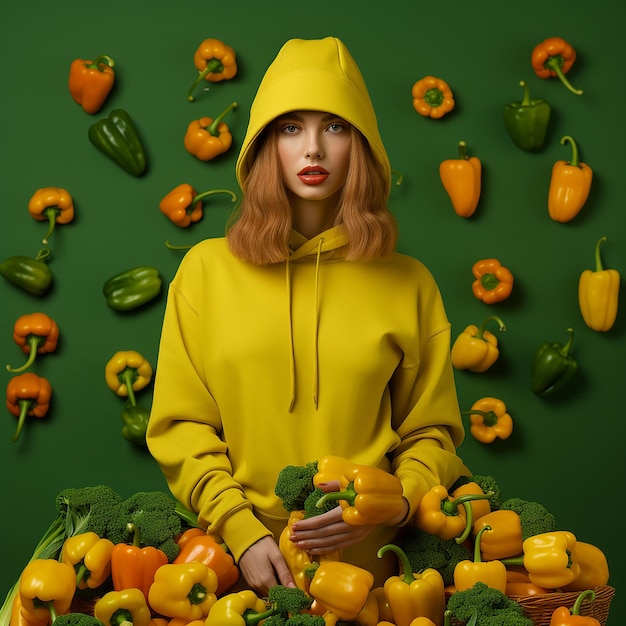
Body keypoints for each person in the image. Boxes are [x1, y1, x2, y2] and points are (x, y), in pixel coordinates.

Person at [146, 36, 469, 594]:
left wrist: (395, 501)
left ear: (362, 146)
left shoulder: (408, 282)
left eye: (336, 126)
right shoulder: (204, 272)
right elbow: (181, 428)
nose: (313, 149)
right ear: (265, 144)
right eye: (291, 127)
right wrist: (241, 531)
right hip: (236, 573)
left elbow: (431, 434)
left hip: (376, 578)